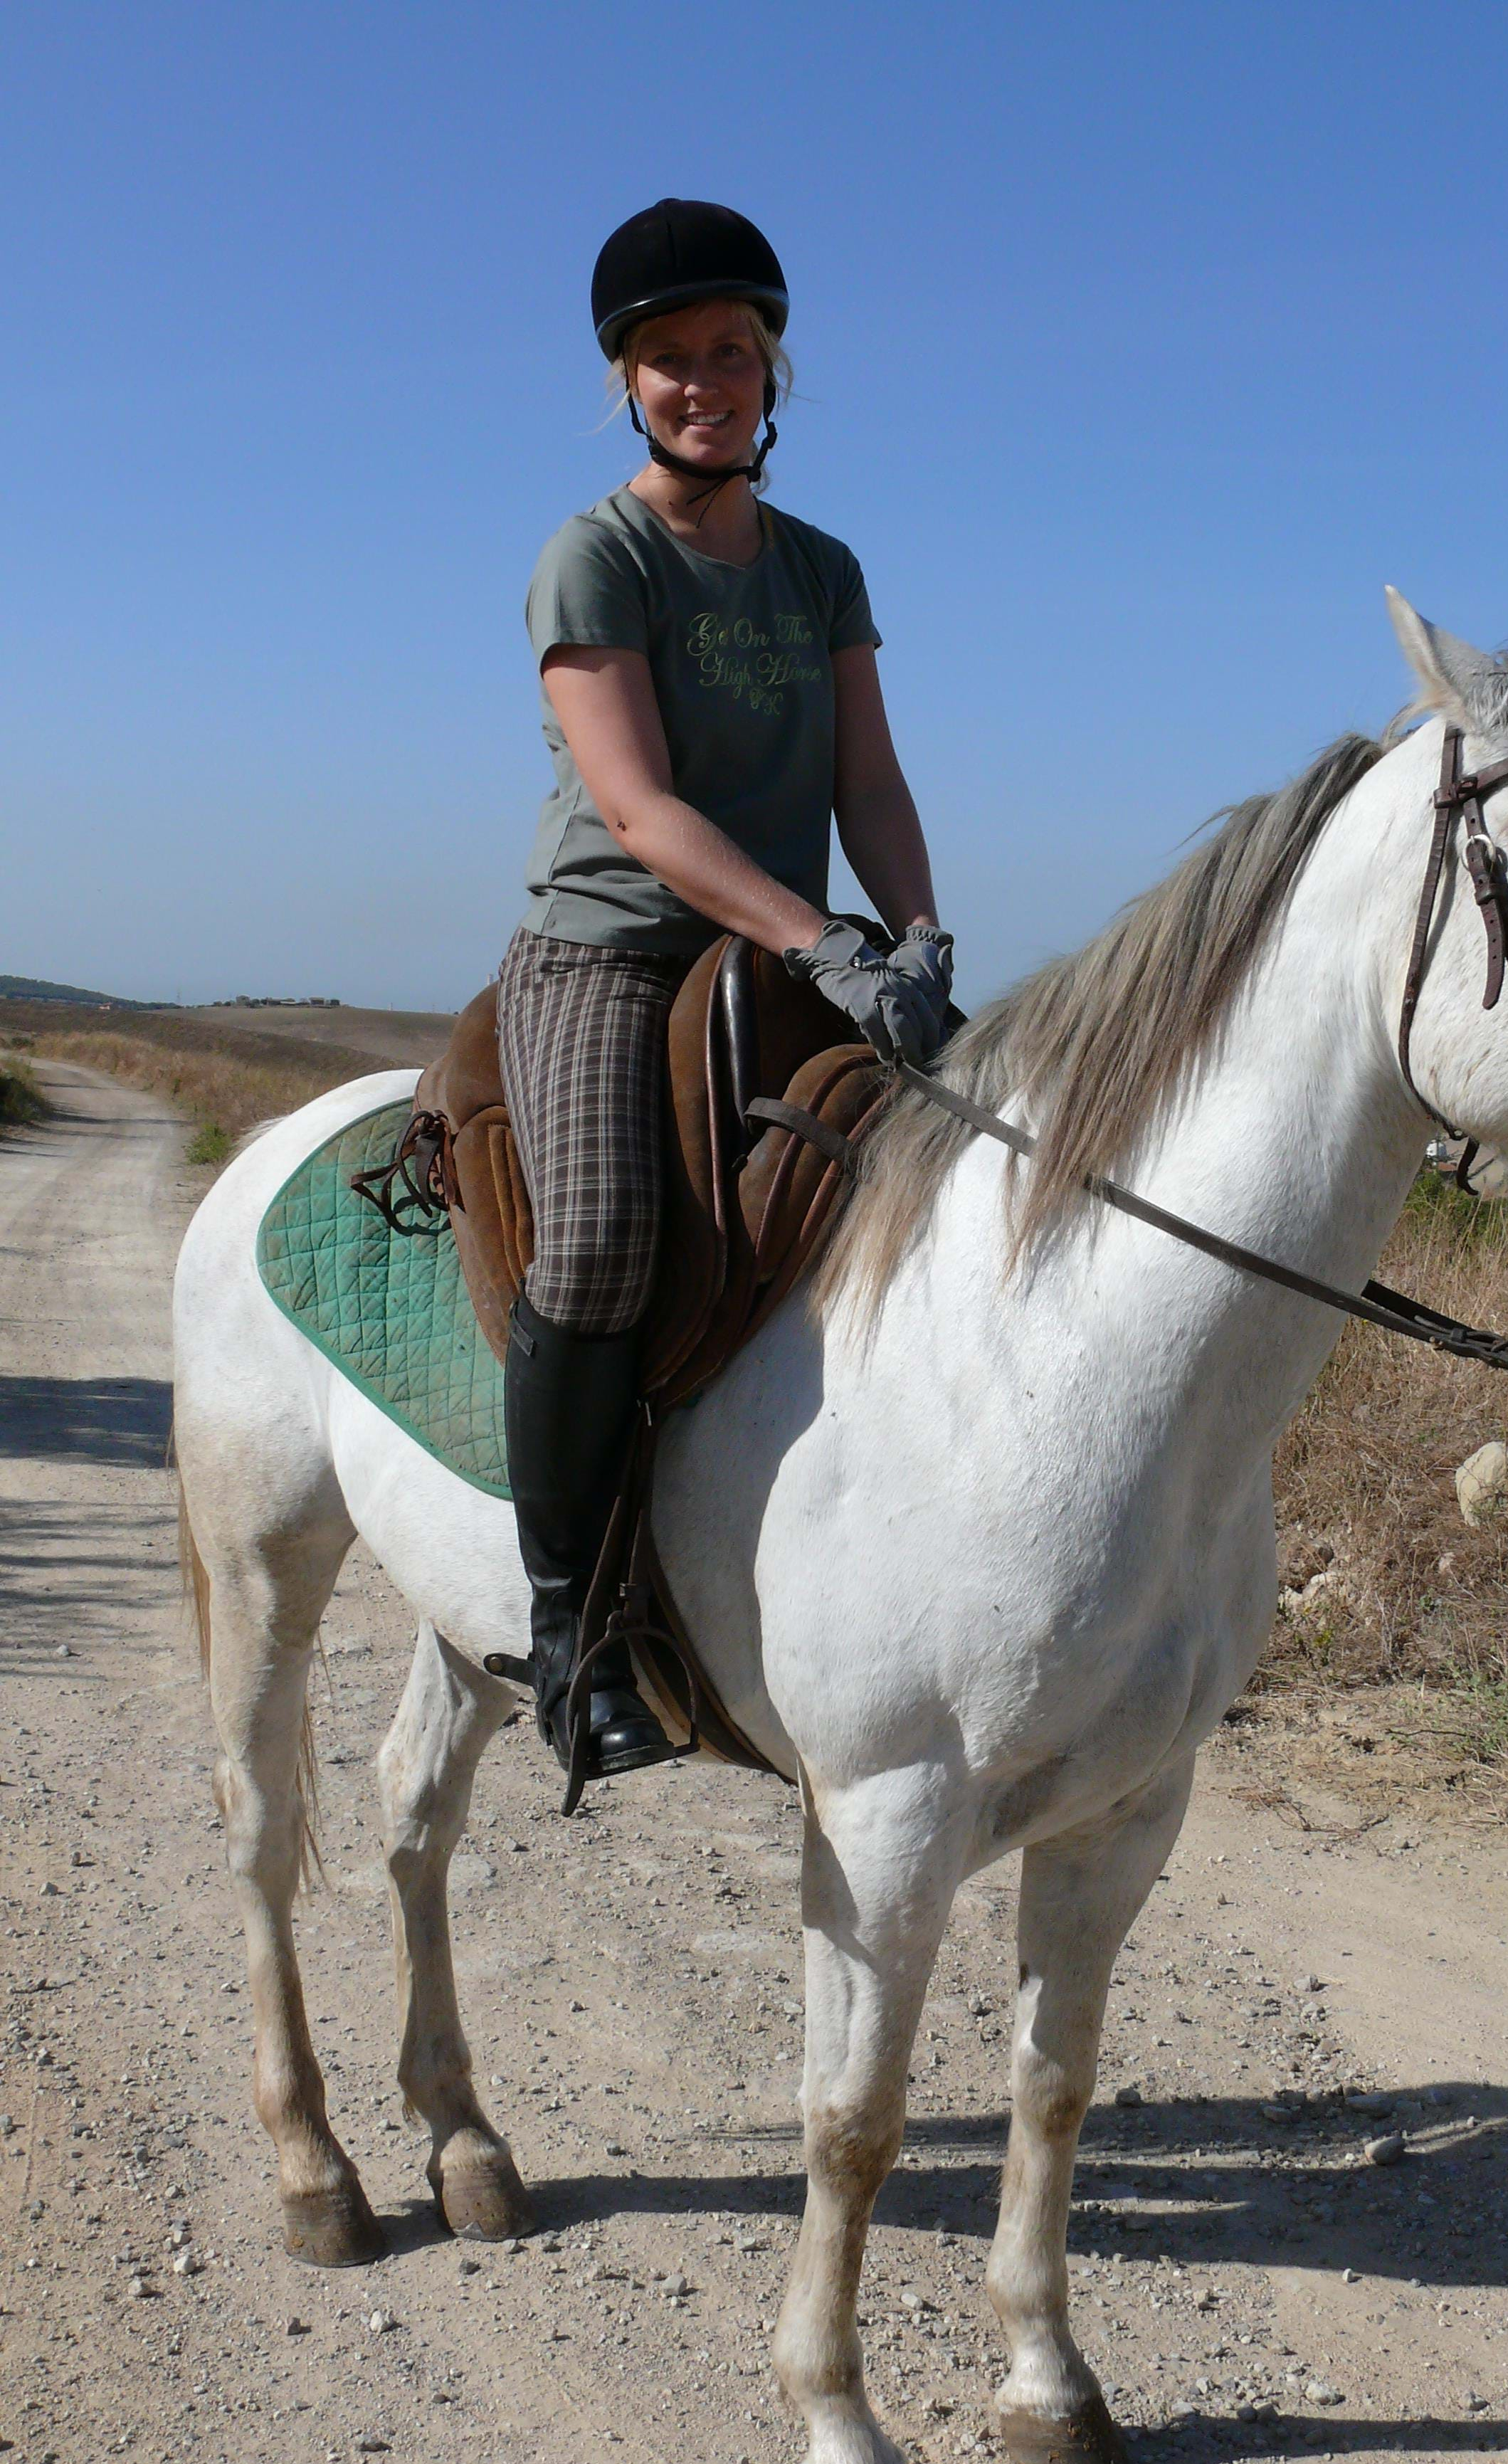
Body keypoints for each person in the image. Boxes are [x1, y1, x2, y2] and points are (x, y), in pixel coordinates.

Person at [499, 197, 953, 1784]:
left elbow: (873, 785)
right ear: (628, 379)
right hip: (612, 949)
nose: (707, 382)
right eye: (672, 358)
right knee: (611, 1235)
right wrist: (818, 940)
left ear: (774, 371)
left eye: (733, 354)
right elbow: (640, 811)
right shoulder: (597, 556)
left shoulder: (821, 568)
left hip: (786, 948)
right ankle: (568, 1627)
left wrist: (918, 934)